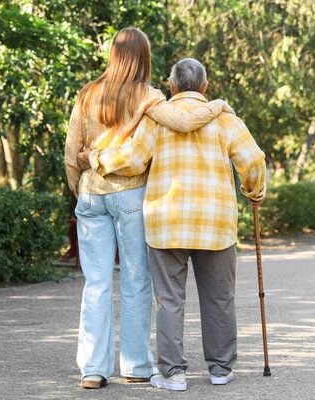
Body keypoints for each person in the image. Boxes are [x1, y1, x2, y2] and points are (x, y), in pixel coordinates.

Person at [64, 29, 234, 390]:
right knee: (136, 281)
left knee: (95, 283)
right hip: (130, 195)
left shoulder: (87, 94)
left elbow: (71, 151)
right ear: (144, 58)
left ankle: (93, 370)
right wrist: (218, 105)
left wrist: (80, 189)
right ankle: (137, 366)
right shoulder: (149, 96)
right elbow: (186, 121)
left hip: (91, 193)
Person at [86, 58, 266, 391]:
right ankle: (221, 369)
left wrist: (94, 158)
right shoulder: (226, 120)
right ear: (205, 87)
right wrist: (254, 191)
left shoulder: (156, 120)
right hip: (215, 224)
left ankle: (172, 374)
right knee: (219, 299)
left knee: (169, 301)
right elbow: (254, 160)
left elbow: (130, 159)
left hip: (166, 222)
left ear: (171, 86)